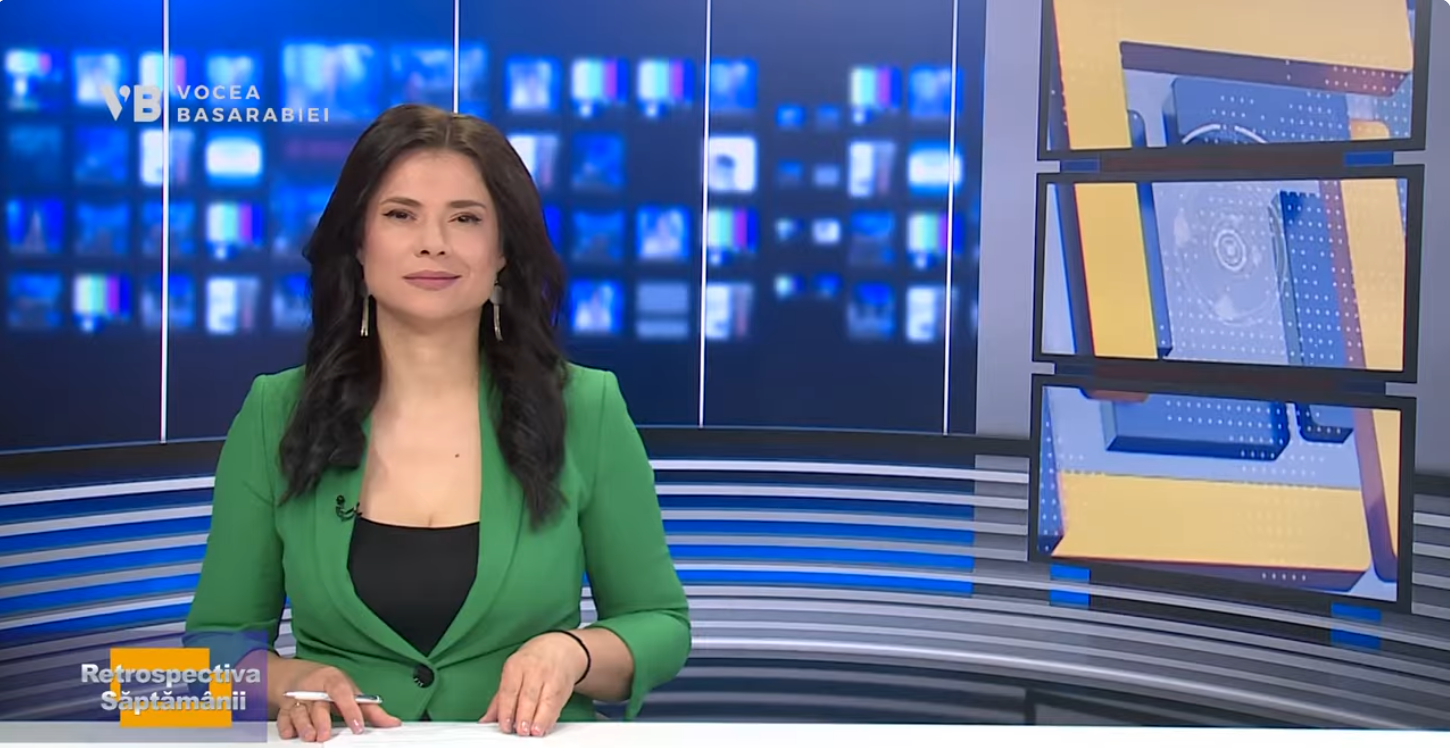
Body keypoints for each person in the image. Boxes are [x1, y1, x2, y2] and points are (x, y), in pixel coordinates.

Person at [183, 103, 691, 742]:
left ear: (502, 250)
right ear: (358, 242)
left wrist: (573, 653)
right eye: (400, 215)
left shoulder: (586, 406)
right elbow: (205, 657)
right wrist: (288, 681)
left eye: (466, 218)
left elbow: (660, 622)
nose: (434, 242)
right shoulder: (275, 413)